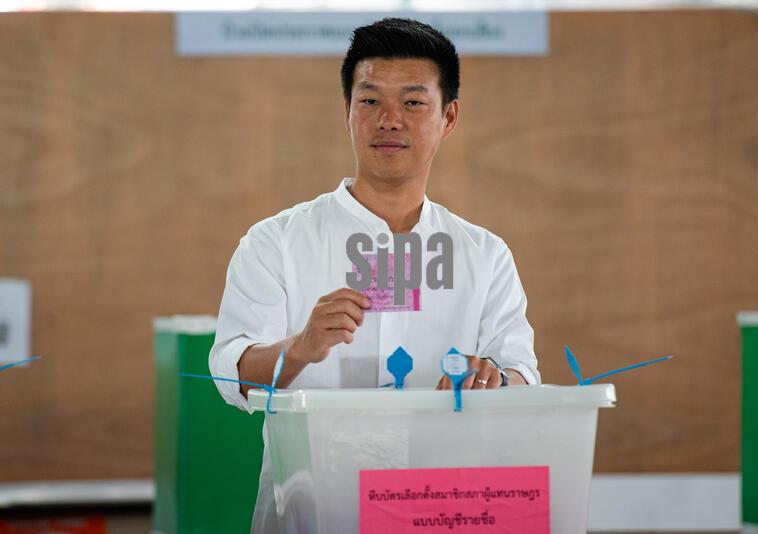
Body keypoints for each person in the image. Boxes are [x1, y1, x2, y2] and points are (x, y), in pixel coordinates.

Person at [208, 17, 541, 532]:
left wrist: (496, 377)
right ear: (347, 112)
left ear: (448, 117)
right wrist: (300, 348)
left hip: (445, 509)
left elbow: (523, 373)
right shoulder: (276, 242)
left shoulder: (485, 255)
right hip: (313, 511)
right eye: (370, 101)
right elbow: (231, 375)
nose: (389, 120)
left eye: (413, 102)